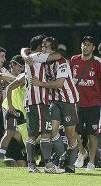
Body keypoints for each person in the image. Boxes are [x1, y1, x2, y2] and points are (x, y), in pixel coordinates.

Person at [10, 35, 64, 173]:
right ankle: (48, 166)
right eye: (44, 45)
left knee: (32, 135)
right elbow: (58, 55)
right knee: (46, 133)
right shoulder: (38, 57)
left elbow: (25, 50)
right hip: (38, 101)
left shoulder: (30, 57)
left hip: (31, 101)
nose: (46, 48)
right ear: (40, 47)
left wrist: (23, 52)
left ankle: (31, 166)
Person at [31, 37, 80, 173]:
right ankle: (63, 156)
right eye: (42, 46)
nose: (43, 49)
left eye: (46, 47)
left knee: (71, 134)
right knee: (52, 131)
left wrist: (40, 84)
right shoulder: (45, 63)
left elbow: (59, 83)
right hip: (54, 101)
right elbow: (26, 53)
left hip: (69, 100)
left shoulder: (62, 62)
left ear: (53, 50)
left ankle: (71, 164)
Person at [70, 36, 101, 171]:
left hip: (93, 103)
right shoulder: (74, 60)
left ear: (93, 47)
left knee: (92, 134)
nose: (85, 47)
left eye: (88, 44)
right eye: (83, 44)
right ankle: (81, 152)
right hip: (77, 102)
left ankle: (91, 162)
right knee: (73, 130)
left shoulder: (97, 63)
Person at [0, 55, 27, 167]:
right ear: (12, 64)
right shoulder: (8, 73)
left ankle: (30, 157)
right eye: (20, 66)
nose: (21, 69)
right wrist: (20, 79)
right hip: (9, 107)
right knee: (10, 132)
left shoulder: (22, 76)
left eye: (23, 67)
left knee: (23, 133)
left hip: (19, 109)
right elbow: (3, 77)